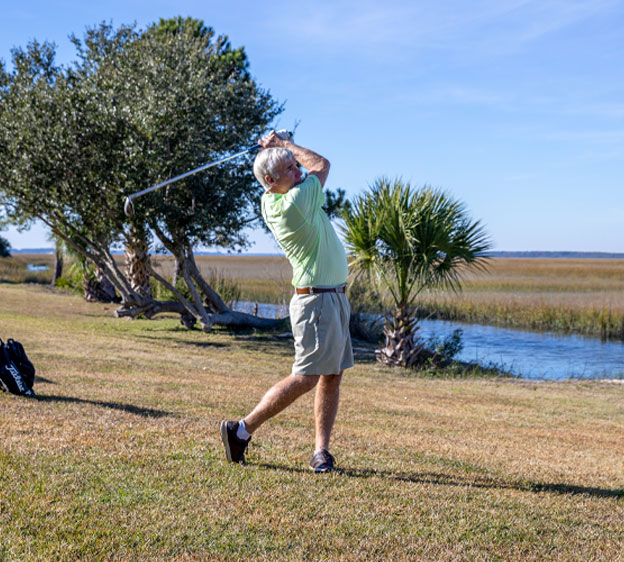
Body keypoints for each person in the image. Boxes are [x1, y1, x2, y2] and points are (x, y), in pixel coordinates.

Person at [220, 131, 353, 473]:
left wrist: (282, 151)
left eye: (296, 167)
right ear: (271, 180)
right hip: (317, 303)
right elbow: (321, 164)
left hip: (333, 298)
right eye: (291, 169)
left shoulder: (274, 198)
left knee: (332, 374)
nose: (299, 172)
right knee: (307, 377)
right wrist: (286, 145)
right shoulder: (294, 203)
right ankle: (242, 429)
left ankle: (321, 452)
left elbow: (302, 171)